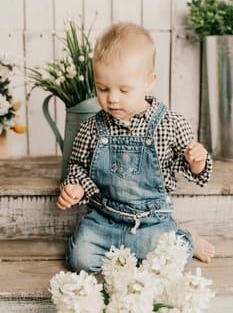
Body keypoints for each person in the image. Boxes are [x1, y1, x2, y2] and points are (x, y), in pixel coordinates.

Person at [57, 22, 215, 273]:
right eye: (103, 88)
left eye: (124, 89)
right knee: (80, 261)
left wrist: (197, 159)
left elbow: (195, 171)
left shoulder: (170, 124)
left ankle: (187, 237)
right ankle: (125, 256)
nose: (112, 98)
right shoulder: (91, 129)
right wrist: (75, 187)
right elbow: (77, 166)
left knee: (170, 264)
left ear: (148, 82)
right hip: (104, 219)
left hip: (152, 221)